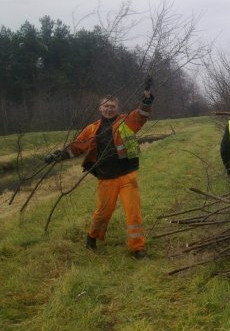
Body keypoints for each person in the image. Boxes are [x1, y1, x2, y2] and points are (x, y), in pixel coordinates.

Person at [44, 79, 154, 258]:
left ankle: (138, 248)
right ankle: (92, 238)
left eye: (113, 106)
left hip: (127, 175)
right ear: (100, 108)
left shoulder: (126, 122)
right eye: (106, 106)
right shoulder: (92, 129)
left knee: (133, 213)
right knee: (103, 212)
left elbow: (141, 115)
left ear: (117, 108)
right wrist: (57, 155)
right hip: (106, 177)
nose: (109, 109)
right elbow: (76, 147)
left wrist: (146, 98)